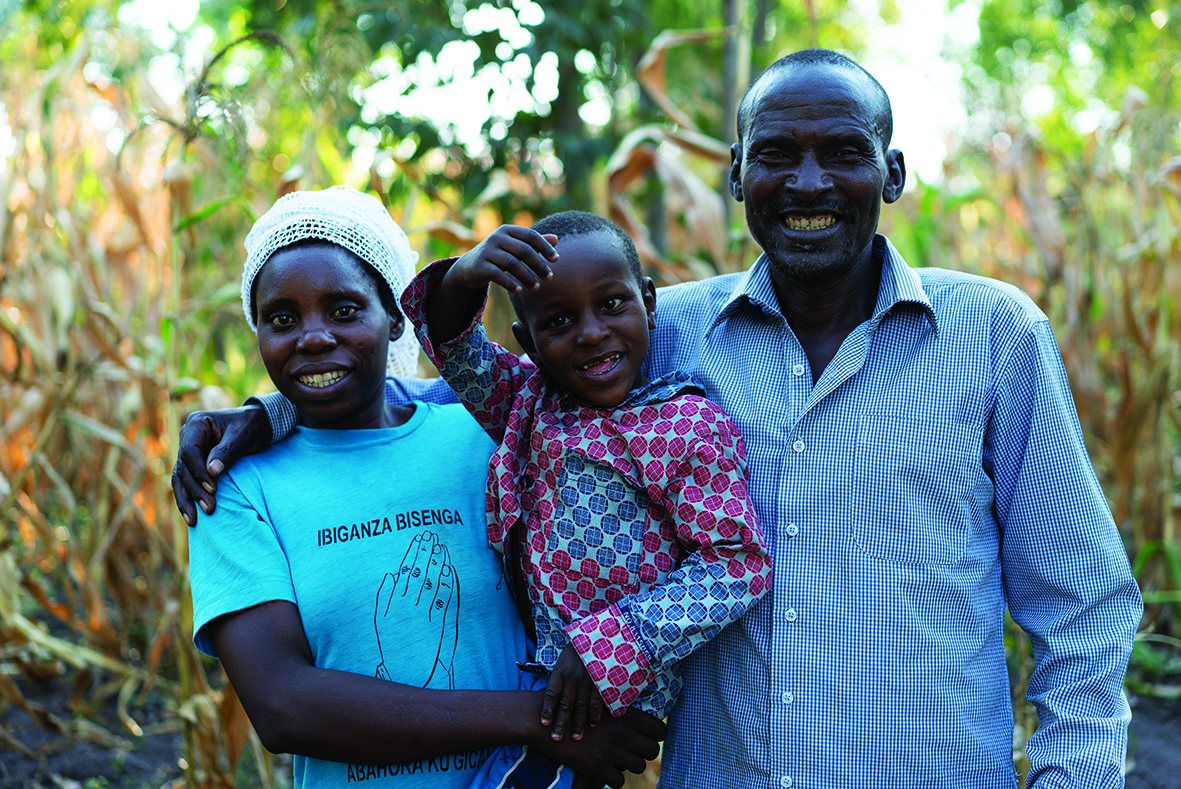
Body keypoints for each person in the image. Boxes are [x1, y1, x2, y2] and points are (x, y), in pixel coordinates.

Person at [174, 50, 1143, 789]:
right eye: (776, 156)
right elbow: (437, 403)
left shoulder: (992, 336)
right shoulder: (656, 333)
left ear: (889, 174)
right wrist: (268, 414)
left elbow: (1082, 603)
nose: (808, 184)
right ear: (735, 176)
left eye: (843, 154)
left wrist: (1071, 777)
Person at [185, 185, 664, 789]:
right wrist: (537, 721)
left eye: (343, 310)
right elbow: (285, 707)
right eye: (282, 319)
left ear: (395, 318)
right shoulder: (231, 484)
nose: (312, 337)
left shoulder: (490, 434)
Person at [399, 211, 771, 743]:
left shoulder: (685, 425)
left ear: (648, 302)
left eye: (612, 304)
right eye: (558, 322)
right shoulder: (524, 402)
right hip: (527, 689)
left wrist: (605, 647)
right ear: (529, 342)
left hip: (619, 703)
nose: (592, 334)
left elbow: (735, 563)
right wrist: (463, 276)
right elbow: (456, 349)